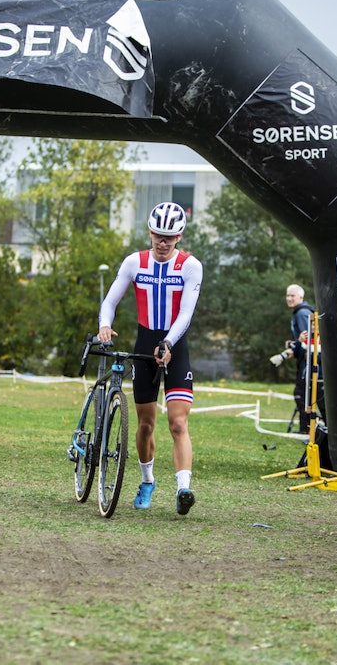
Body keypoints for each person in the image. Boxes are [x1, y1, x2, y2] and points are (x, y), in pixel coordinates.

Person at [97, 202, 203, 515]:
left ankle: (184, 489)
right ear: (150, 232)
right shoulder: (135, 262)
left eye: (170, 237)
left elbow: (186, 312)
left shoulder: (189, 266)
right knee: (145, 425)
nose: (163, 242)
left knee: (178, 423)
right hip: (145, 344)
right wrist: (105, 325)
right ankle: (147, 480)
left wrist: (169, 342)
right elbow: (111, 300)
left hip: (176, 345)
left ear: (180, 236)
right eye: (158, 235)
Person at [269, 284, 320, 431]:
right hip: (306, 361)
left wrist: (295, 347)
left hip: (309, 363)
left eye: (293, 296)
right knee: (305, 394)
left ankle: (307, 428)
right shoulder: (299, 312)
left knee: (302, 394)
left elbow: (308, 339)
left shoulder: (302, 313)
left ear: (301, 297)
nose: (289, 298)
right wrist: (294, 344)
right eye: (288, 295)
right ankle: (306, 427)